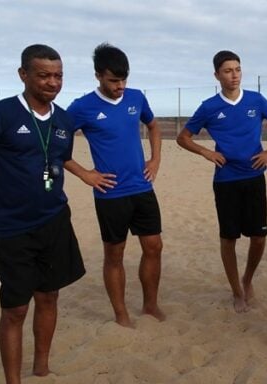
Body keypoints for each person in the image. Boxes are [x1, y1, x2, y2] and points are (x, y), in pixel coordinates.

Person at [0, 44, 85, 384]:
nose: (52, 82)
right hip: (12, 226)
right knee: (15, 308)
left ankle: (41, 368)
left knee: (49, 296)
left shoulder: (64, 120)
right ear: (24, 75)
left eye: (58, 75)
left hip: (55, 221)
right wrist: (7, 190)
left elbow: (57, 162)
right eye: (44, 75)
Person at [177, 50, 267, 313]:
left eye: (237, 69)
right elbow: (184, 138)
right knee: (229, 238)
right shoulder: (209, 107)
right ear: (217, 75)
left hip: (254, 177)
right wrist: (206, 152)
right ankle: (236, 291)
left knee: (259, 236)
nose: (234, 75)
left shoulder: (256, 100)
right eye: (228, 70)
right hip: (226, 180)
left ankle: (247, 279)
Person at [65, 43, 164, 327]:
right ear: (98, 76)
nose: (120, 86)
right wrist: (85, 173)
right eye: (113, 81)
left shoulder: (136, 97)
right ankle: (121, 315)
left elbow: (154, 126)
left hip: (142, 187)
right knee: (115, 254)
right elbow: (56, 145)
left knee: (154, 246)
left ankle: (150, 306)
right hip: (110, 193)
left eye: (124, 80)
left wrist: (154, 160)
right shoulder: (82, 107)